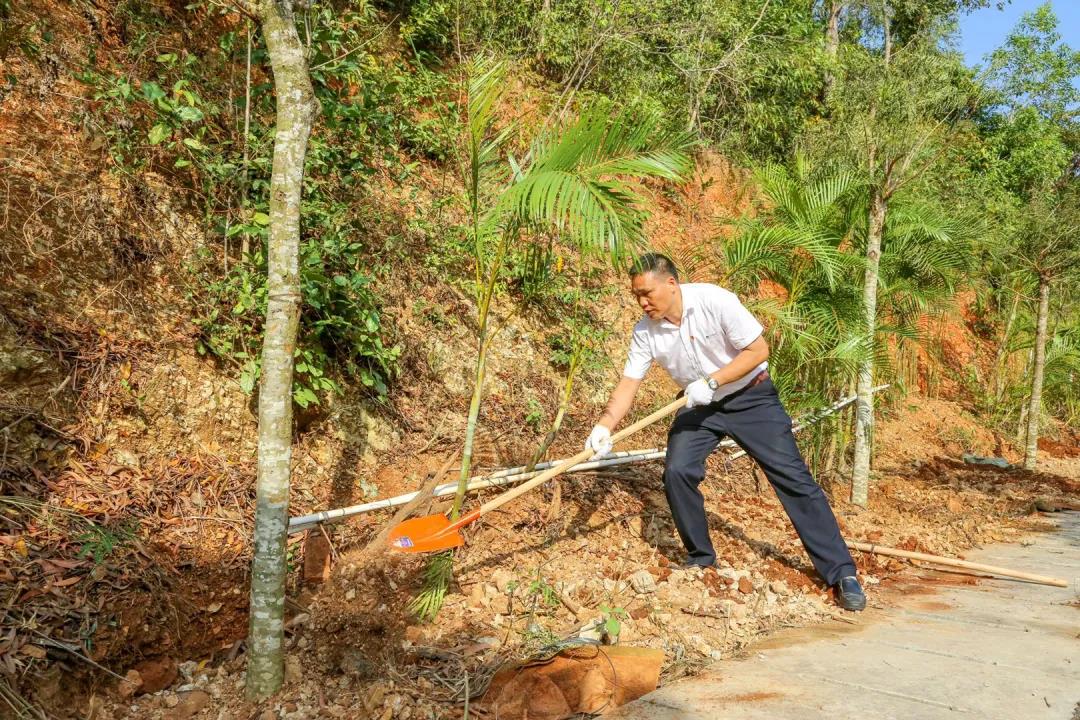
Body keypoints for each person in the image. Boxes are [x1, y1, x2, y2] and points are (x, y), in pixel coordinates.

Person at [585, 253, 866, 611]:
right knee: (677, 471)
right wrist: (604, 425)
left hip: (751, 398)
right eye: (636, 295)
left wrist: (713, 380)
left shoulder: (714, 300)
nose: (642, 302)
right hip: (699, 405)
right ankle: (701, 558)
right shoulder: (645, 331)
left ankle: (842, 573)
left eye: (647, 293)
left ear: (671, 284)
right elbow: (629, 383)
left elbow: (758, 350)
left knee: (792, 478)